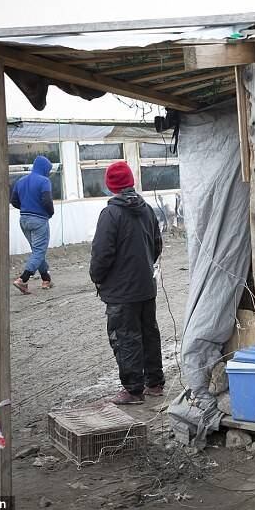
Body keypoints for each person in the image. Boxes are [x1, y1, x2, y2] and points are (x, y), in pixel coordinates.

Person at [89, 161, 165, 405]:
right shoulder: (147, 209)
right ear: (131, 182)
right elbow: (157, 244)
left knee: (125, 337)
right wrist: (144, 266)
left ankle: (133, 390)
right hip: (145, 286)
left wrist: (98, 277)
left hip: (121, 291)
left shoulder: (110, 214)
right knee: (149, 333)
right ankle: (154, 383)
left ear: (111, 186)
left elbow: (101, 254)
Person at [9, 155, 55, 294]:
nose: (48, 173)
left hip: (24, 220)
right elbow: (47, 201)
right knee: (39, 251)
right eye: (48, 170)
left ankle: (46, 279)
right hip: (39, 220)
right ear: (45, 168)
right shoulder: (44, 181)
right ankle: (23, 280)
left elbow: (14, 201)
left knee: (37, 251)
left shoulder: (21, 180)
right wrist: (50, 213)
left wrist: (26, 208)